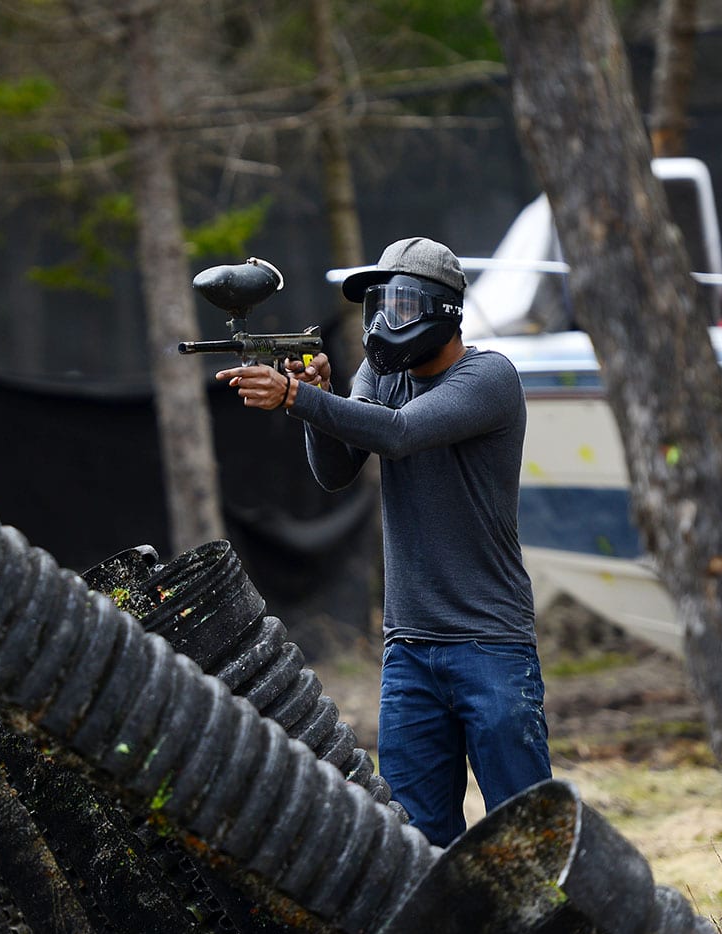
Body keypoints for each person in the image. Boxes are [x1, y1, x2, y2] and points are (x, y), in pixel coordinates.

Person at [214, 236, 552, 847]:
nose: (384, 318)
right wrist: (311, 401)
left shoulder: (490, 377)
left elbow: (398, 434)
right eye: (379, 303)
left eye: (400, 303)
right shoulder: (380, 374)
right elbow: (336, 472)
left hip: (489, 644)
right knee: (416, 842)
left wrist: (300, 396)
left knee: (523, 834)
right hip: (409, 651)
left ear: (443, 310)